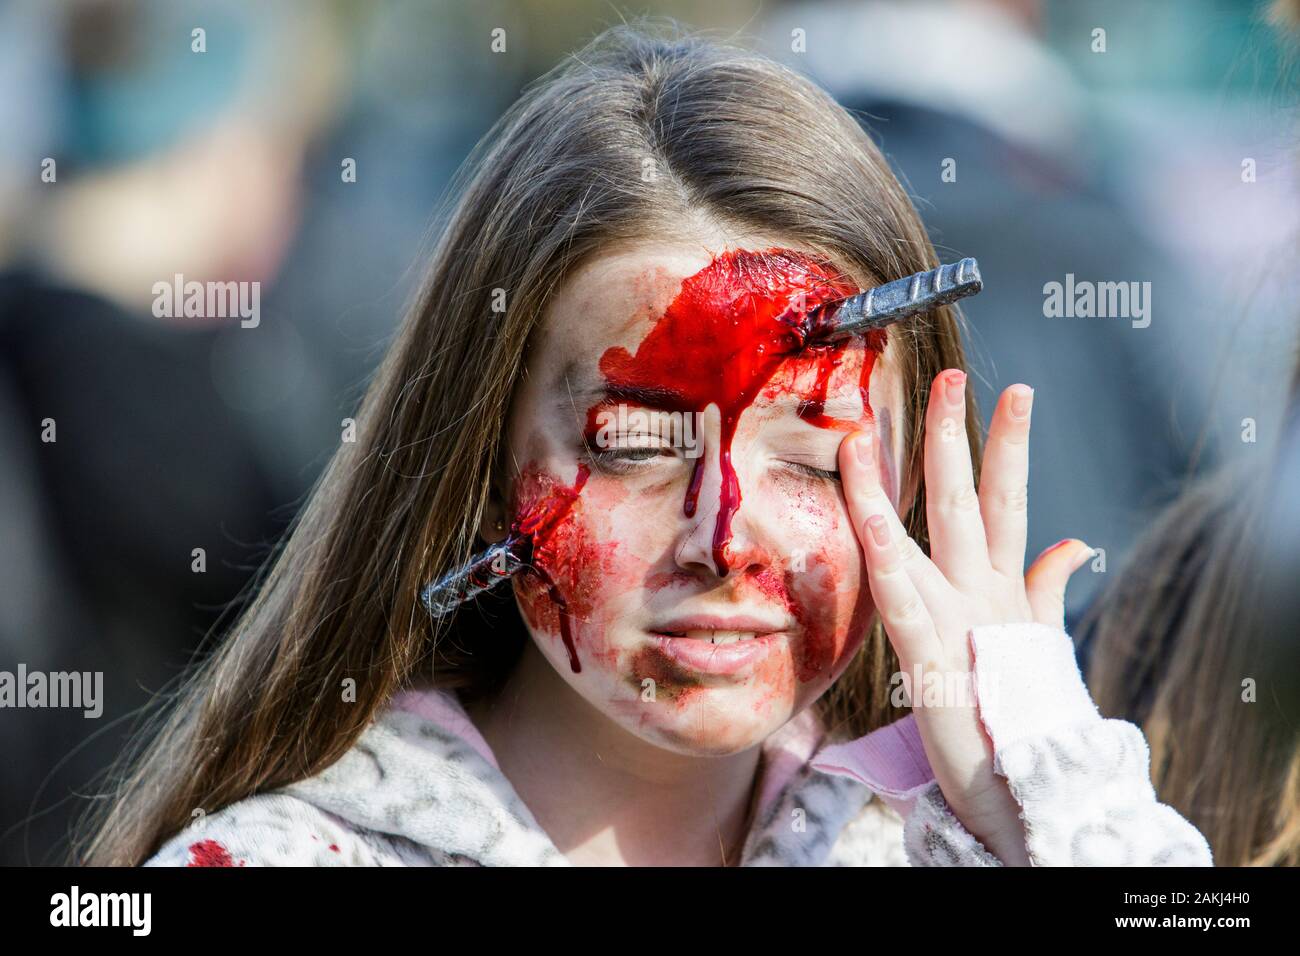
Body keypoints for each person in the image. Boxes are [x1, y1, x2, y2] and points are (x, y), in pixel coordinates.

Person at [80, 21, 1210, 867]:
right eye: (631, 445)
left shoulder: (957, 844)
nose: (726, 539)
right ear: (478, 458)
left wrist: (1050, 813)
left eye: (813, 458)